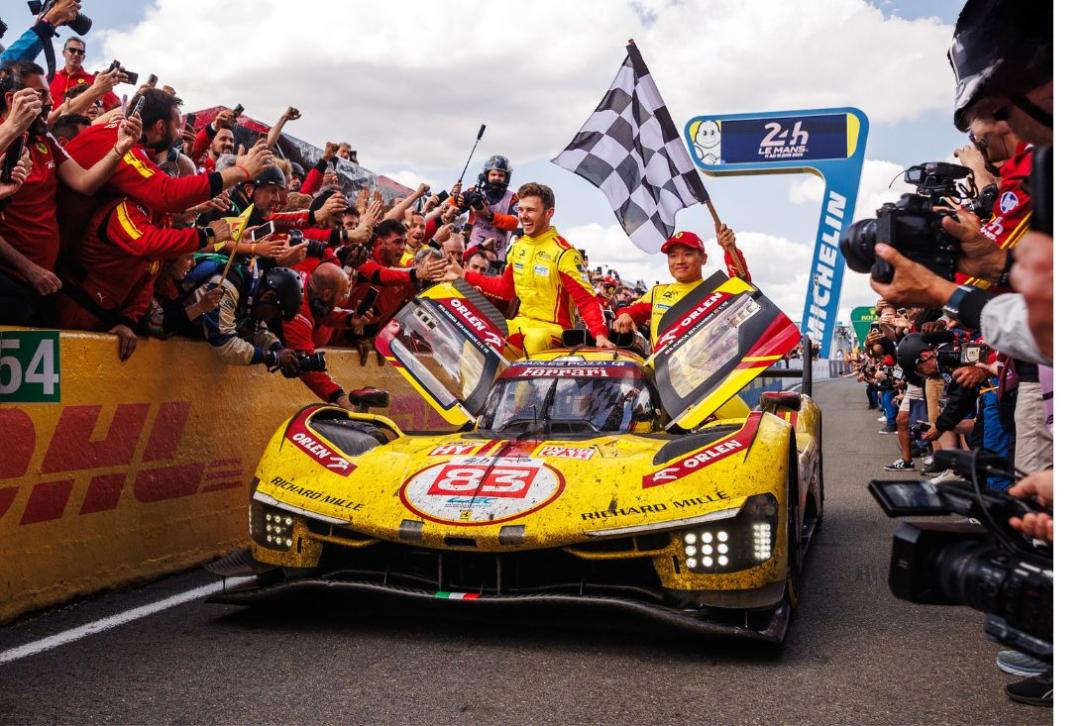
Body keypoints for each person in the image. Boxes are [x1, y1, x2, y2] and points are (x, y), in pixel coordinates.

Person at [0, 61, 142, 326]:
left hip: (42, 283)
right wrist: (28, 269)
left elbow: (84, 182)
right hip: (10, 281)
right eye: (40, 95)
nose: (50, 101)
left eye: (48, 93)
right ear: (12, 98)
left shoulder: (44, 138)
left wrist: (120, 149)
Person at [447, 182, 612, 353]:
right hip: (522, 323)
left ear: (549, 213)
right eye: (520, 209)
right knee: (477, 339)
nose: (523, 216)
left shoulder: (565, 253)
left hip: (553, 329)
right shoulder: (519, 247)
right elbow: (506, 290)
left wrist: (600, 335)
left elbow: (586, 300)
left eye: (530, 210)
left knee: (535, 341)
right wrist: (464, 275)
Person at [612, 226, 748, 349]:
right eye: (673, 256)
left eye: (687, 254)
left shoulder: (717, 292)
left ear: (704, 258)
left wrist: (730, 249)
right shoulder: (658, 292)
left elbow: (742, 284)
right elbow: (631, 310)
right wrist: (625, 315)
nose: (680, 261)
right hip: (661, 375)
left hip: (708, 374)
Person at [463, 155, 519, 257]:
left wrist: (489, 215)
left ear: (506, 178)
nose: (497, 178)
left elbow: (513, 223)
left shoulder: (513, 198)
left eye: (501, 175)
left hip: (497, 254)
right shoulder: (474, 192)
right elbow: (454, 204)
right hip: (473, 251)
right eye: (493, 174)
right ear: (486, 175)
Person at [48, 36, 121, 110]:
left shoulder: (95, 81)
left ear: (84, 57)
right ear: (64, 53)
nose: (76, 54)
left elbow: (117, 105)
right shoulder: (50, 77)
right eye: (72, 50)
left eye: (80, 52)